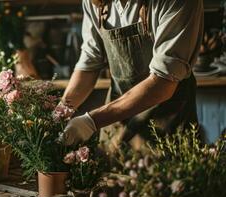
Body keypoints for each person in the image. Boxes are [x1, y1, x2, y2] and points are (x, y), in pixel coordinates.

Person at [60, 0, 204, 147]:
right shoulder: (96, 2)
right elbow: (90, 63)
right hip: (115, 123)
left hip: (167, 125)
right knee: (111, 168)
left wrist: (90, 122)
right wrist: (60, 113)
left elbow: (163, 82)